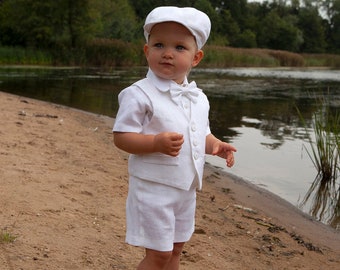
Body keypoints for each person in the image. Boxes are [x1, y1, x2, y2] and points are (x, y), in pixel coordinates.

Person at [113, 6, 237, 270]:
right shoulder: (139, 94)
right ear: (147, 51)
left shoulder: (198, 98)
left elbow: (199, 133)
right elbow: (122, 137)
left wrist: (215, 145)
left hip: (186, 188)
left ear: (196, 58)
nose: (168, 53)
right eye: (159, 45)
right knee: (158, 254)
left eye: (180, 47)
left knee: (176, 250)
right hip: (153, 188)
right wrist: (154, 143)